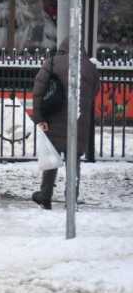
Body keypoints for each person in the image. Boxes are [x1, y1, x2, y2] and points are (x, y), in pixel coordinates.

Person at [31, 46, 100, 209]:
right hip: (78, 121)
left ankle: (45, 196)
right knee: (73, 161)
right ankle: (71, 200)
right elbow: (94, 91)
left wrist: (39, 117)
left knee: (51, 159)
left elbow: (38, 91)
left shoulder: (53, 62)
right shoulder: (90, 67)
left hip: (53, 119)